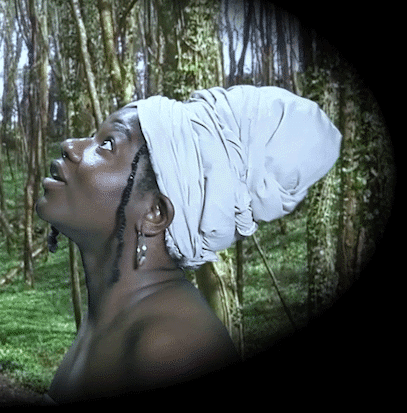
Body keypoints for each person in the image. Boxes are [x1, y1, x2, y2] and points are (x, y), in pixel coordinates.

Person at [36, 85, 341, 401]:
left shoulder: (171, 349)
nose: (71, 146)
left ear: (154, 213)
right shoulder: (115, 321)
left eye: (107, 144)